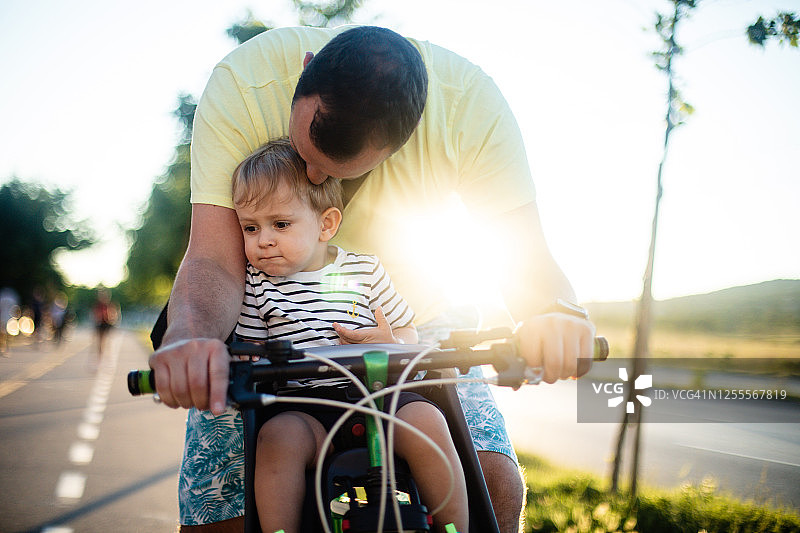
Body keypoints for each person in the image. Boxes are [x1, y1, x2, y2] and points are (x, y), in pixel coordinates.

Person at [150, 25, 597, 533]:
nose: (314, 179)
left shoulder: (470, 108)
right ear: (306, 67)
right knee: (220, 515)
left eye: (332, 169)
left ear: (400, 142)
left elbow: (525, 255)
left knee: (494, 485)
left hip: (411, 328)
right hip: (274, 328)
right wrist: (191, 337)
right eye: (302, 153)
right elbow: (213, 257)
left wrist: (554, 314)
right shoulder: (241, 83)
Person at [183, 138, 466, 532]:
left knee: (427, 419)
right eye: (250, 227)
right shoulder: (257, 286)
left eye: (280, 224)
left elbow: (407, 332)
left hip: (380, 397)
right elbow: (247, 350)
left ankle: (455, 526)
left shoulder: (365, 270)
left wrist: (392, 343)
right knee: (278, 439)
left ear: (326, 224)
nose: (263, 239)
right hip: (306, 407)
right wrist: (245, 361)